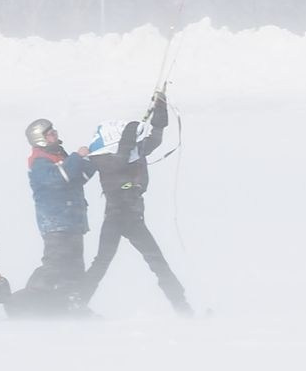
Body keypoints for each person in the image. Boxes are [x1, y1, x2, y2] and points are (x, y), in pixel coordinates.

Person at [85, 88, 191, 315]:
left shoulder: (132, 151)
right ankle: (77, 303)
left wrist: (160, 110)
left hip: (133, 216)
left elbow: (156, 137)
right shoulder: (103, 159)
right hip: (116, 216)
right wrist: (128, 139)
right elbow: (119, 163)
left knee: (157, 261)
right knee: (101, 263)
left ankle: (181, 304)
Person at [24, 116, 103, 309]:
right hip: (56, 224)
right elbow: (59, 178)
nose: (55, 135)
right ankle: (30, 300)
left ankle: (73, 305)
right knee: (55, 266)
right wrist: (77, 156)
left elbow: (78, 177)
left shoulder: (60, 157)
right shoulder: (40, 162)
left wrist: (94, 156)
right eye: (50, 133)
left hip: (72, 223)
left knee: (75, 270)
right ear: (40, 138)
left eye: (54, 132)